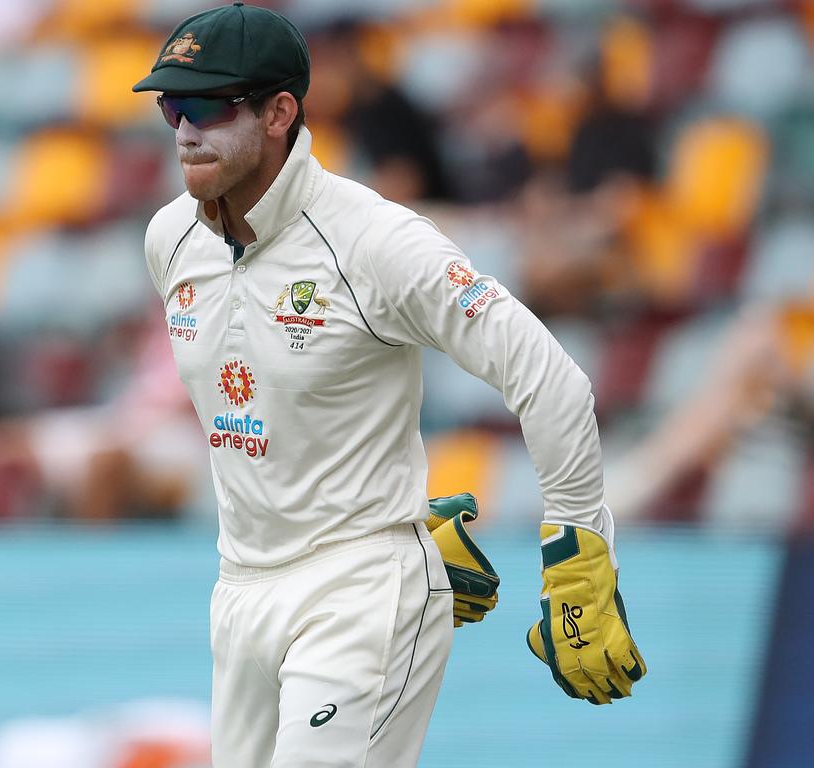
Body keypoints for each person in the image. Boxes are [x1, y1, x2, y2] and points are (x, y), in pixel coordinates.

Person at [133, 4, 647, 766]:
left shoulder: (375, 241)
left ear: (280, 113)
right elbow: (267, 402)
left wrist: (577, 544)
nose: (185, 129)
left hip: (361, 591)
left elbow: (550, 378)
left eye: (211, 104)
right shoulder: (169, 239)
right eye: (174, 105)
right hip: (239, 588)